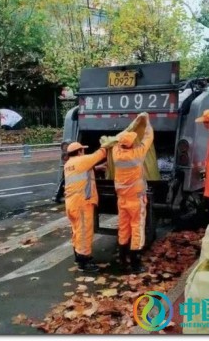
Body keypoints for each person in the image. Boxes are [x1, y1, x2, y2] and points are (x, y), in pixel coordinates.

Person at [111, 112, 153, 274]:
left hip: (122, 199)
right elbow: (148, 137)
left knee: (123, 227)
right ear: (132, 143)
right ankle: (136, 262)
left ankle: (122, 259)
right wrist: (146, 121)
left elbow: (118, 138)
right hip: (136, 200)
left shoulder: (116, 153)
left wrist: (133, 123)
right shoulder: (138, 153)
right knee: (137, 228)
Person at [63, 141, 108, 272]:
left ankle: (78, 256)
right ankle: (84, 263)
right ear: (79, 152)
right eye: (82, 150)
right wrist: (108, 143)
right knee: (84, 232)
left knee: (77, 231)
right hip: (82, 204)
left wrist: (97, 168)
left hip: (72, 203)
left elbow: (83, 172)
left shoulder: (69, 164)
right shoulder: (82, 160)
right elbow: (100, 153)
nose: (84, 152)